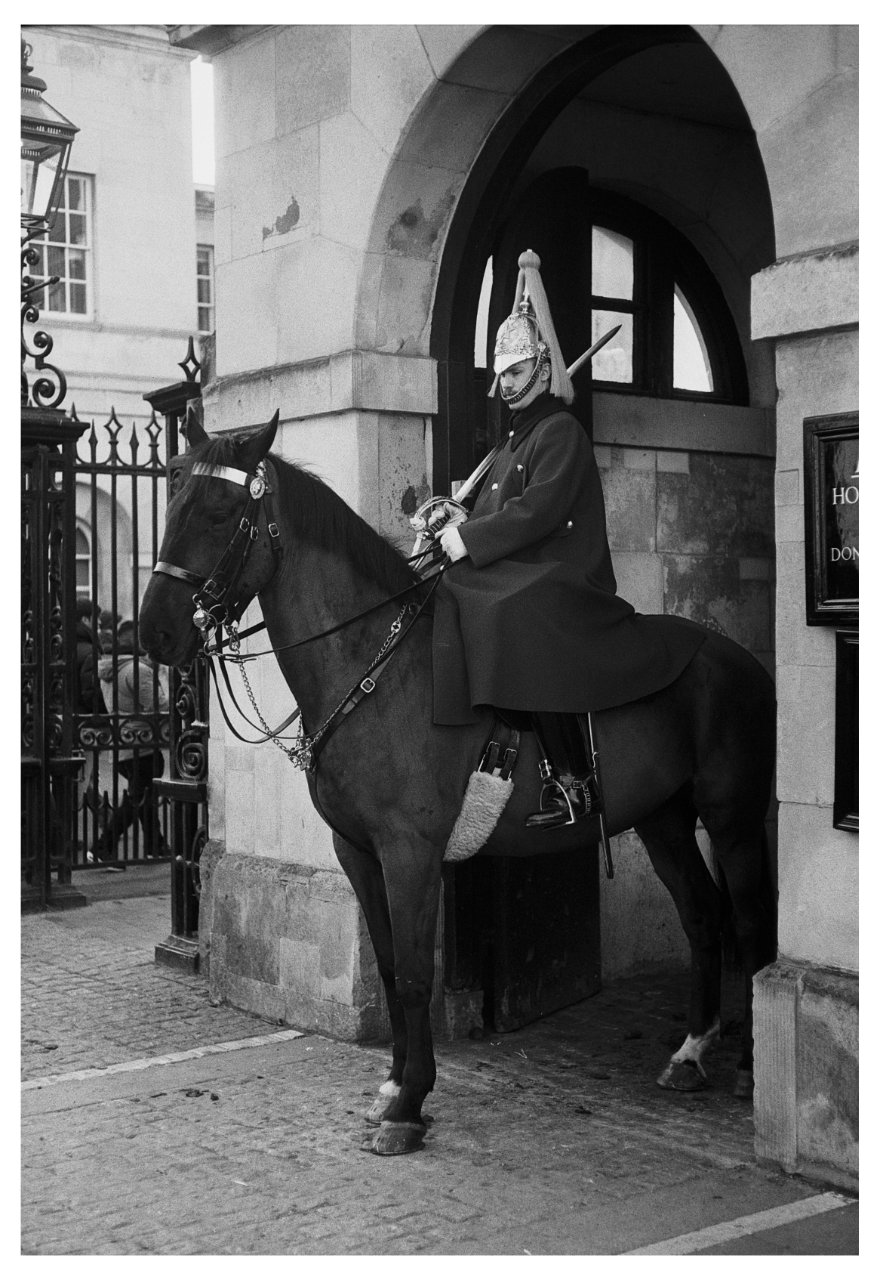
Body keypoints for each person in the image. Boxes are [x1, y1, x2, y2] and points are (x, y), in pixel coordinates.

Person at [431, 249, 705, 829]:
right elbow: (492, 508)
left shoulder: (561, 432)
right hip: (522, 561)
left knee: (510, 610)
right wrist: (455, 518)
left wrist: (470, 540)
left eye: (516, 370)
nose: (505, 383)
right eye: (500, 373)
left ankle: (571, 779)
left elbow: (538, 511)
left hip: (561, 569)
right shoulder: (510, 443)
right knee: (454, 591)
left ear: (541, 368)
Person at [94, 620, 170, 861]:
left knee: (144, 797)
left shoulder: (111, 668)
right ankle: (102, 848)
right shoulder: (139, 670)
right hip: (142, 743)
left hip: (123, 742)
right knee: (137, 799)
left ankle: (155, 846)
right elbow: (158, 706)